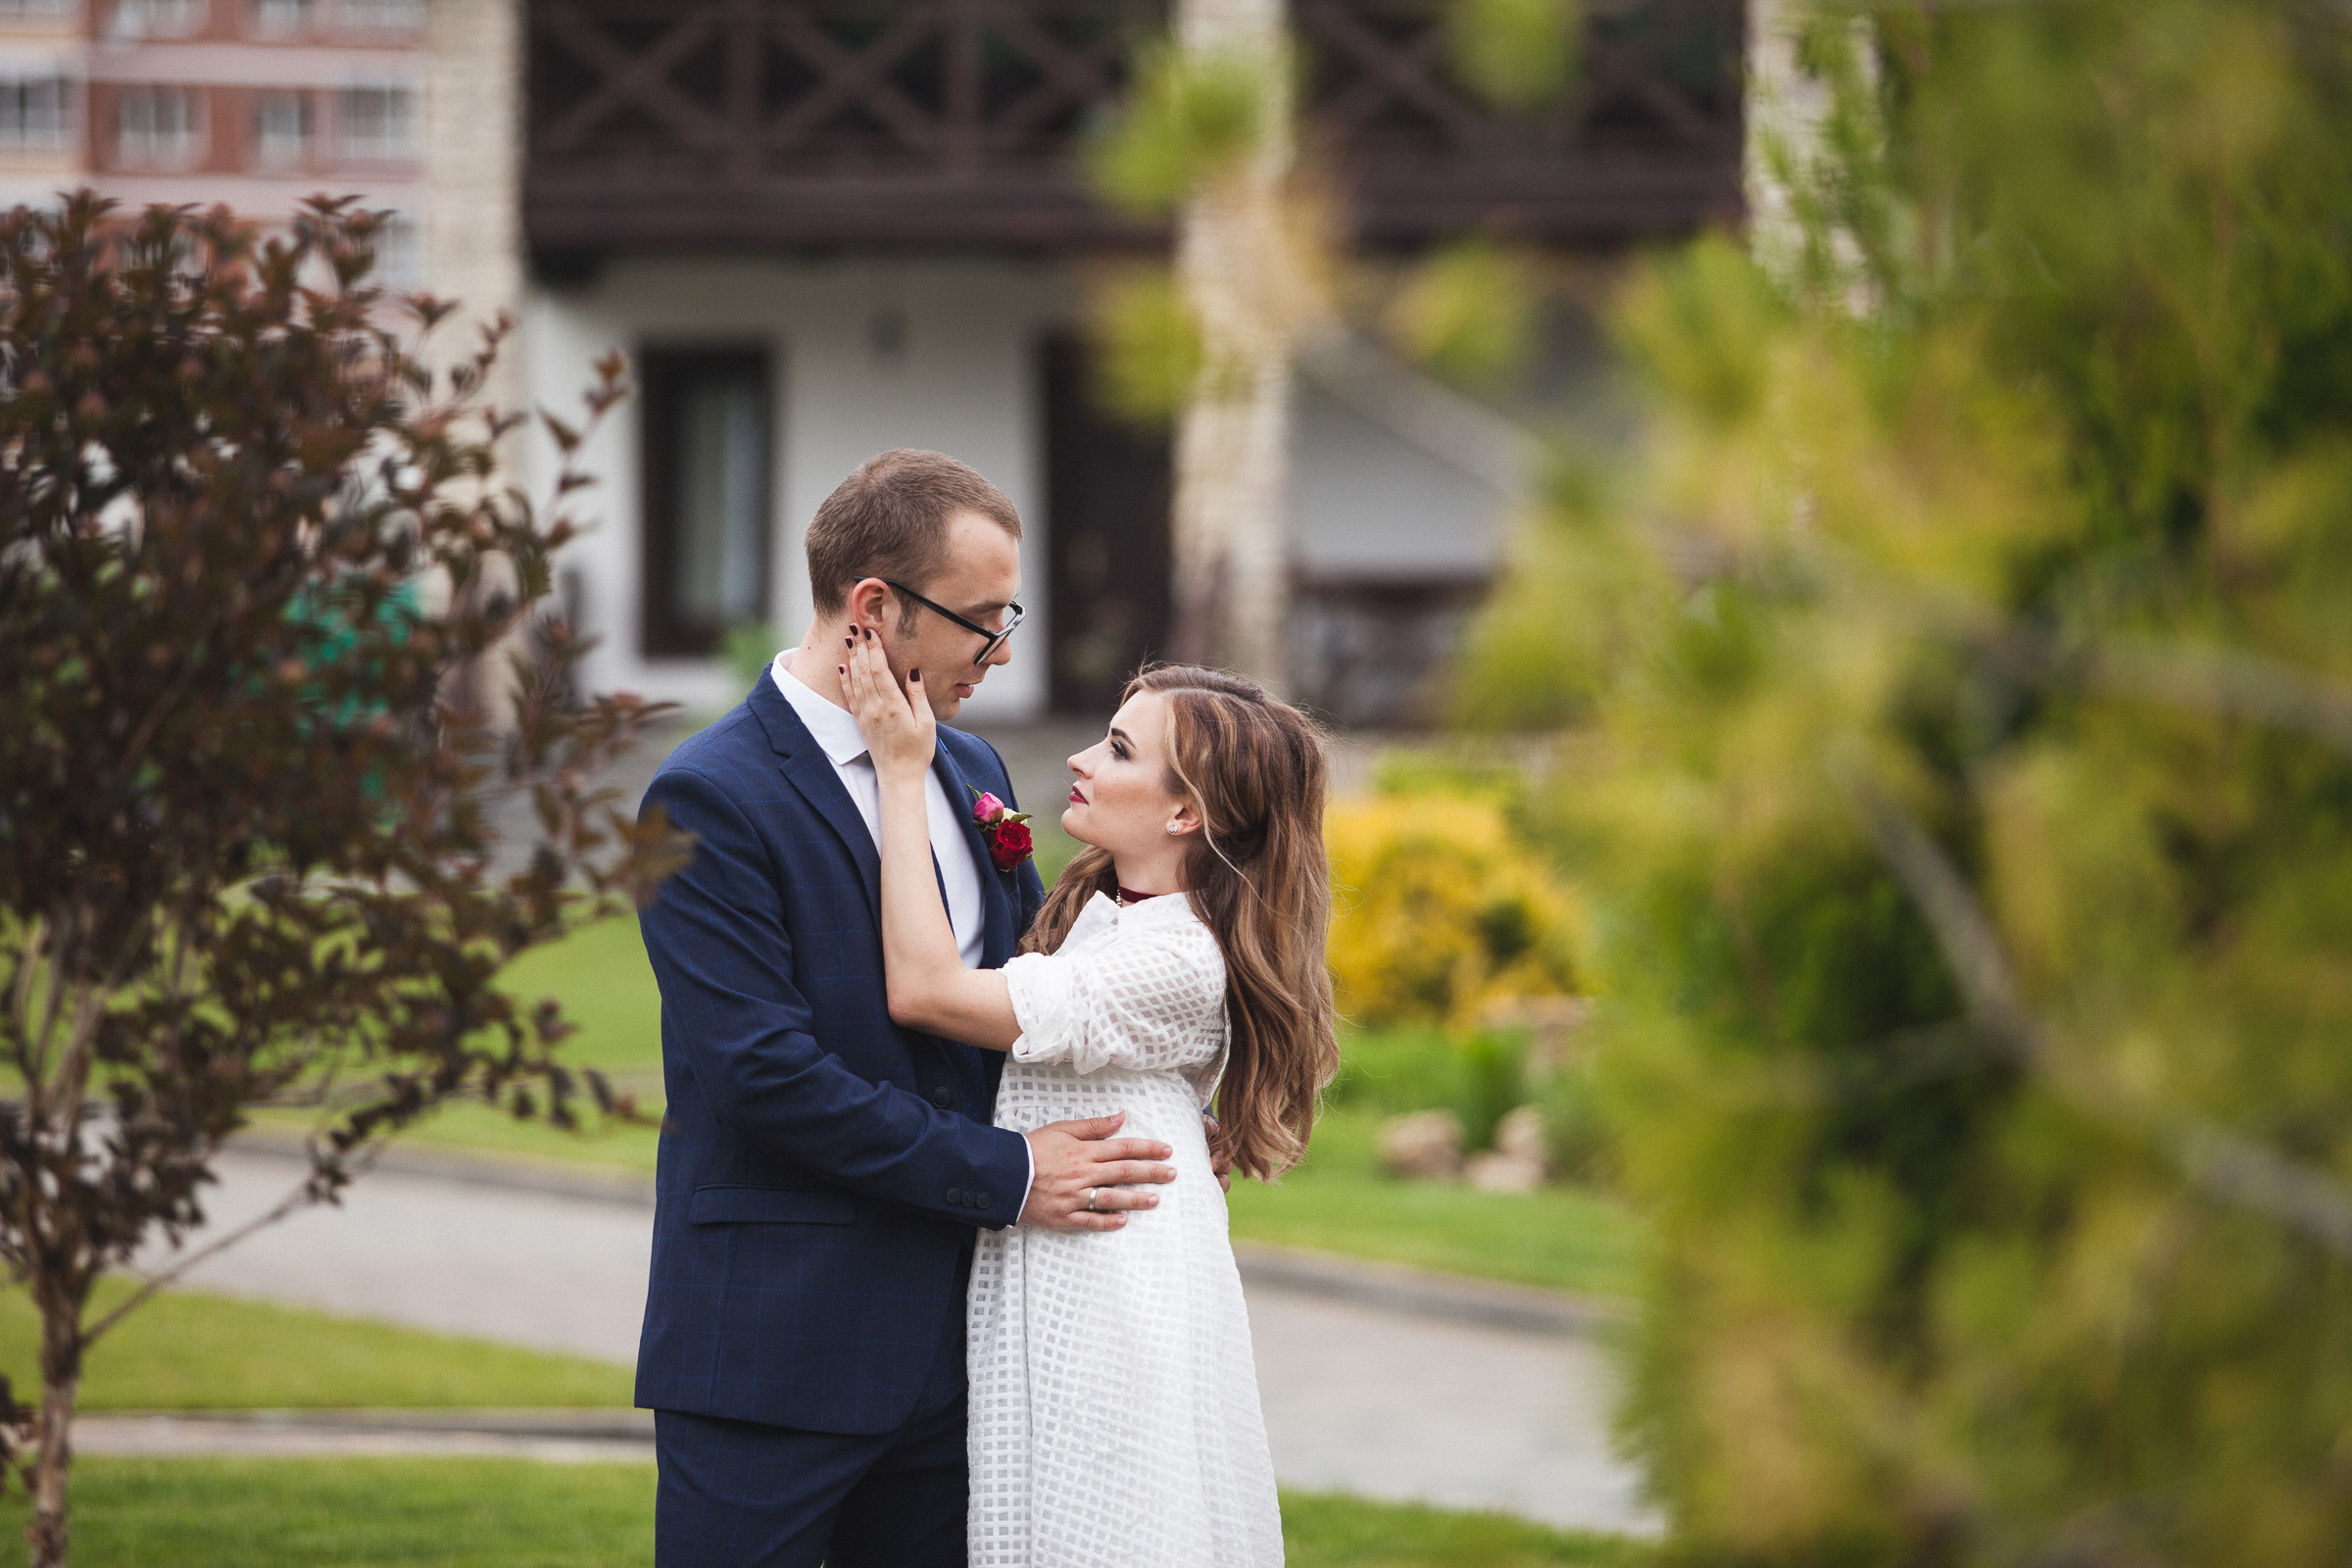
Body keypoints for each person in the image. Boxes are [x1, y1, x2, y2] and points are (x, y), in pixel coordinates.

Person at [634, 449, 1185, 1567]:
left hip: (965, 1346)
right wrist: (1015, 1175)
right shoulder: (702, 796)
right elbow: (766, 1076)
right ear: (875, 611)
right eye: (982, 620)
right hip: (773, 1353)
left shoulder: (968, 764)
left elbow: (1031, 990)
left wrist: (1164, 1101)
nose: (1005, 648)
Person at [843, 640, 1341, 1567]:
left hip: (1114, 1286)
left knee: (1103, 1523)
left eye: (1117, 749)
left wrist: (902, 773)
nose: (1080, 758)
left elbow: (923, 988)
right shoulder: (1110, 911)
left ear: (1188, 810)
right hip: (1071, 1258)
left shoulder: (1175, 956)